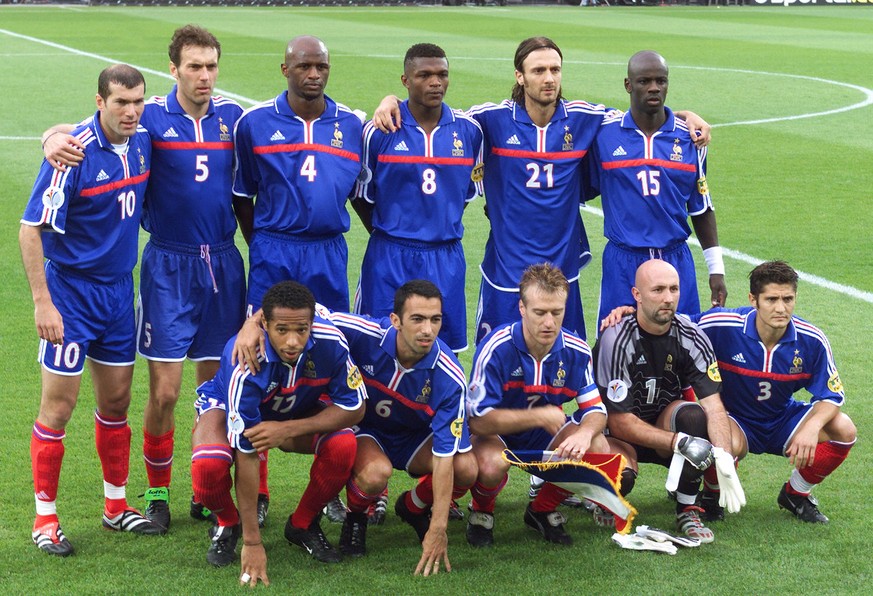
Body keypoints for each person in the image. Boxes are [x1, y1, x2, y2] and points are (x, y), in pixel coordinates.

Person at [40, 25, 252, 532]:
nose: (204, 75)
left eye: (211, 66)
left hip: (223, 263)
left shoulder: (235, 118)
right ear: (173, 68)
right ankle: (157, 493)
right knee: (164, 393)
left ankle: (210, 487)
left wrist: (380, 102)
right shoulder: (151, 117)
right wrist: (53, 136)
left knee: (218, 386)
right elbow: (96, 130)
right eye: (194, 66)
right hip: (167, 265)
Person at [372, 37, 711, 342]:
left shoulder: (586, 118)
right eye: (538, 70)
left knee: (568, 357)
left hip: (562, 267)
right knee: (496, 357)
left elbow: (642, 117)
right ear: (520, 76)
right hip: (506, 266)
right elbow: (441, 117)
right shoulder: (488, 120)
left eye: (555, 69)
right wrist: (391, 100)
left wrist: (683, 116)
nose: (549, 78)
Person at [22, 64, 162, 557]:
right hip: (72, 298)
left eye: (137, 101)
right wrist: (44, 303)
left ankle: (115, 507)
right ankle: (45, 518)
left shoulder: (145, 137)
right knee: (58, 407)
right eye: (120, 102)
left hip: (118, 296)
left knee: (117, 403)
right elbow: (29, 229)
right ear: (99, 101)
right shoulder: (72, 153)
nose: (131, 111)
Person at [191, 281, 365, 584]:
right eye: (282, 330)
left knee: (343, 444)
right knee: (208, 464)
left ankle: (302, 524)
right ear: (264, 325)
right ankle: (229, 524)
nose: (293, 341)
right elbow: (248, 455)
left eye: (301, 330)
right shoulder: (244, 359)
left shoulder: (331, 341)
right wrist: (253, 542)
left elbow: (355, 408)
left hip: (298, 407)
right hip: (226, 402)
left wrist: (286, 429)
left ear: (312, 324)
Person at [330, 281, 477, 576]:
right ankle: (356, 517)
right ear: (395, 320)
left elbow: (445, 455)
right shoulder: (365, 333)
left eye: (435, 320)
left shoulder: (450, 374)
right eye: (417, 319)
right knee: (375, 474)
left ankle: (412, 506)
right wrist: (255, 325)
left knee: (467, 468)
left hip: (413, 437)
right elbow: (314, 315)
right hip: (367, 430)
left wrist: (438, 526)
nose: (427, 330)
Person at [592, 259, 741, 543]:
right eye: (658, 290)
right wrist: (679, 443)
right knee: (620, 479)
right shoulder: (615, 337)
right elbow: (620, 421)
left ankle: (688, 508)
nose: (668, 298)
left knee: (696, 417)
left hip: (665, 424)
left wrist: (722, 457)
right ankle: (597, 494)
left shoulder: (692, 336)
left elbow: (713, 405)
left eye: (674, 289)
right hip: (617, 435)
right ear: (636, 295)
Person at [694, 261, 856, 523]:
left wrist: (812, 427)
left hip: (781, 419)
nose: (781, 308)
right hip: (735, 419)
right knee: (725, 439)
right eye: (771, 299)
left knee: (844, 428)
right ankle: (712, 496)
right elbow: (673, 325)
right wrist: (628, 312)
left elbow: (831, 396)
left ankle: (795, 494)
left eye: (787, 299)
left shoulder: (811, 340)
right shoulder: (720, 324)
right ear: (753, 299)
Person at [351, 43, 484, 353]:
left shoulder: (469, 131)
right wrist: (390, 232)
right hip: (389, 255)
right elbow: (361, 195)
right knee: (376, 346)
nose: (435, 82)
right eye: (424, 75)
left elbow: (463, 194)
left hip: (445, 257)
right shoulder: (380, 131)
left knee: (441, 351)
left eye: (442, 75)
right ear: (405, 80)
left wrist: (437, 223)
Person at [466, 263, 609, 547]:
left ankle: (540, 511)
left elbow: (596, 410)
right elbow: (478, 421)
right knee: (492, 465)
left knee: (597, 447)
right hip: (497, 434)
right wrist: (536, 416)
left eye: (557, 312)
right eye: (539, 312)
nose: (549, 323)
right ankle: (482, 511)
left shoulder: (576, 351)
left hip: (546, 432)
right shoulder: (496, 348)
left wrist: (583, 433)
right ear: (522, 308)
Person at [587, 50, 726, 328]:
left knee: (682, 346)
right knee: (615, 343)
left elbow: (700, 207)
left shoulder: (690, 139)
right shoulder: (603, 133)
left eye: (661, 81)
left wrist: (716, 269)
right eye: (644, 81)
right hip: (623, 261)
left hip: (675, 261)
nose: (654, 87)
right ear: (628, 85)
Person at [233, 35, 363, 315]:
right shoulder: (254, 122)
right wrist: (259, 243)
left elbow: (359, 194)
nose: (314, 74)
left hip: (328, 251)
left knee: (330, 340)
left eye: (322, 67)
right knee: (263, 339)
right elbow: (242, 195)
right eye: (304, 66)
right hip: (274, 249)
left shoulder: (352, 125)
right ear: (285, 69)